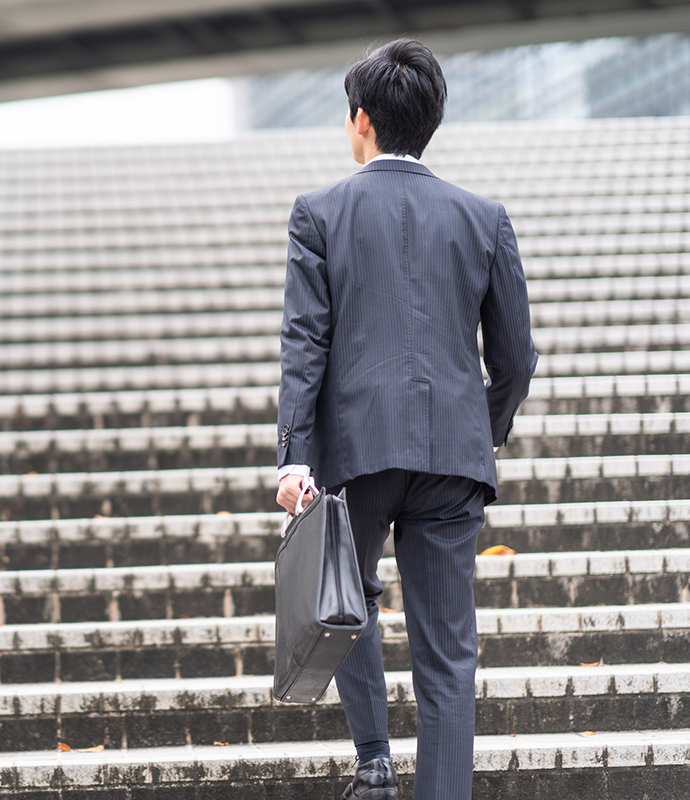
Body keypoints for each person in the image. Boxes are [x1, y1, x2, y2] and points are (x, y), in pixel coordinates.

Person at [273, 39, 538, 800]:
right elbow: (516, 360)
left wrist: (295, 457)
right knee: (448, 654)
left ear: (362, 119)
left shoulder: (319, 212)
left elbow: (305, 343)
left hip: (354, 453)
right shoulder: (484, 219)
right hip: (452, 457)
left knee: (344, 595)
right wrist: (479, 431)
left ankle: (375, 763)